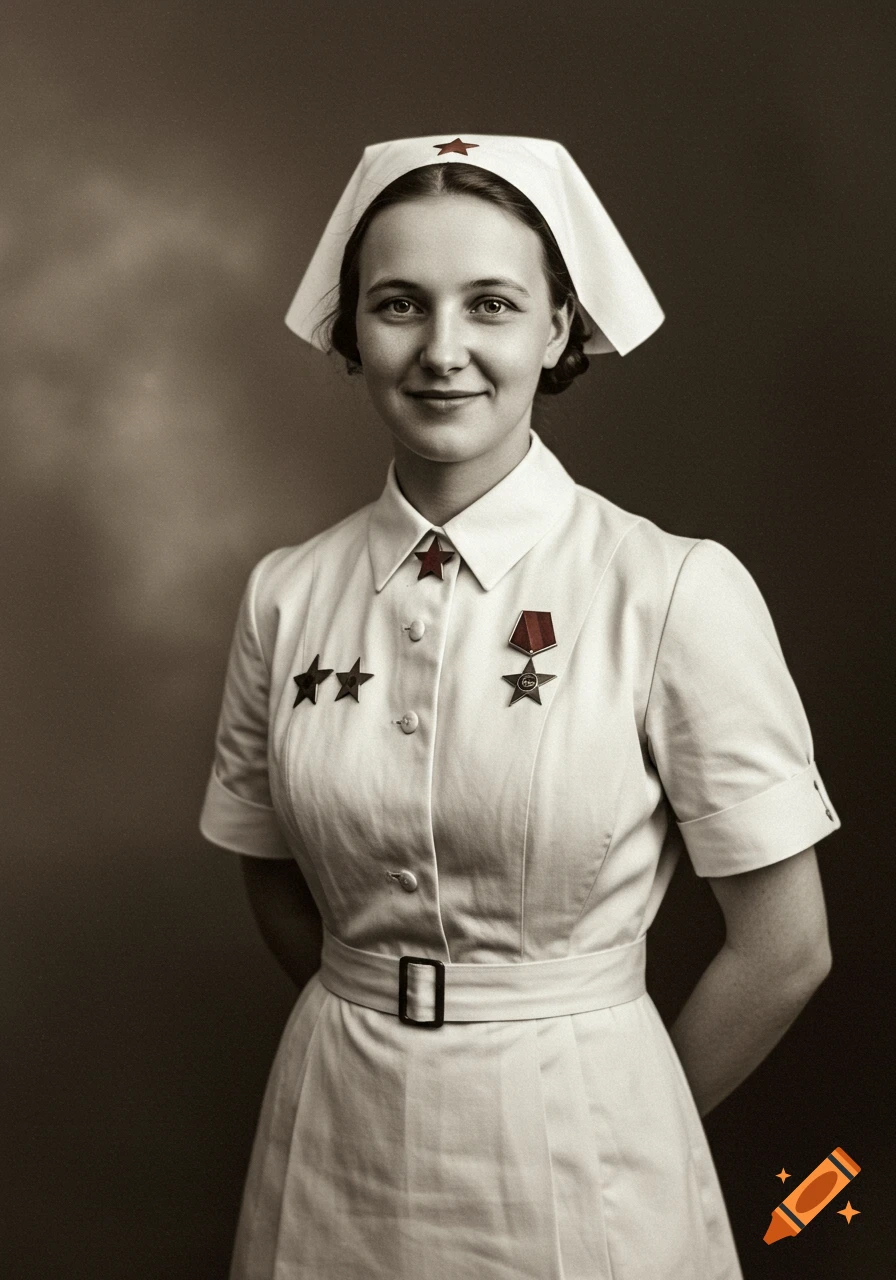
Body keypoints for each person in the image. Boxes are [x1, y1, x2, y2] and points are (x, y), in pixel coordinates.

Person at [199, 135, 841, 1279]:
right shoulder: (285, 592)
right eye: (398, 304)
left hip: (581, 1145)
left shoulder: (671, 587)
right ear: (353, 332)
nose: (442, 350)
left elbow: (784, 948)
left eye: (490, 303)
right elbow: (269, 865)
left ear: (556, 328)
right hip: (331, 1133)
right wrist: (382, 1011)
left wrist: (632, 1119)